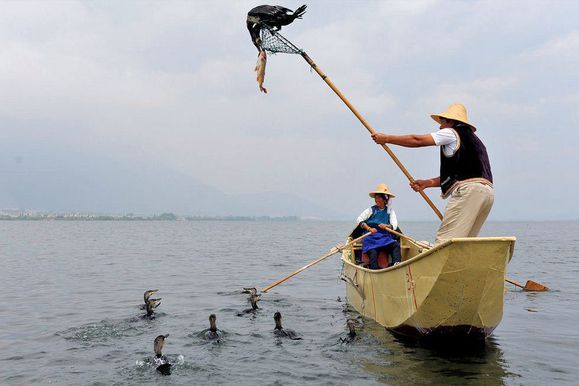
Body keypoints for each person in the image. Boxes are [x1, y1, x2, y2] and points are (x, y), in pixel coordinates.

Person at [371, 103, 493, 244]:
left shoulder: (452, 132)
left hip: (469, 192)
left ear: (451, 122)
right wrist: (428, 183)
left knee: (446, 241)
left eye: (442, 123)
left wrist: (386, 139)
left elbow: (417, 140)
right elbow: (462, 174)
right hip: (487, 194)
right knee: (465, 242)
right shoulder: (477, 142)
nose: (440, 127)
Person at [356, 183, 402, 269]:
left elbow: (394, 225)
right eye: (376, 198)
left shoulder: (390, 211)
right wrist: (369, 228)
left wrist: (387, 226)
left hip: (384, 237)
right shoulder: (370, 209)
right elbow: (359, 219)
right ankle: (374, 269)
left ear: (385, 199)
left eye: (379, 197)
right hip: (371, 236)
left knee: (395, 245)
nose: (376, 200)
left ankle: (397, 265)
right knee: (373, 252)